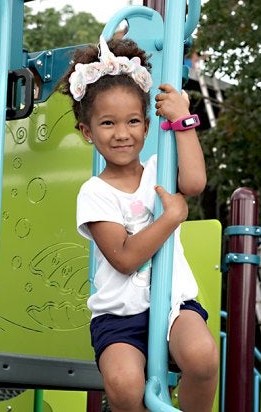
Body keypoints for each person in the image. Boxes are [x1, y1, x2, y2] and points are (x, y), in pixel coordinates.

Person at [58, 36, 219, 412]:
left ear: (147, 127)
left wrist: (182, 122)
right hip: (118, 317)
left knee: (203, 356)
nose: (122, 133)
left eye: (132, 121)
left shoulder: (158, 170)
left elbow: (194, 183)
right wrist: (172, 217)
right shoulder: (94, 193)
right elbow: (126, 258)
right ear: (87, 132)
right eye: (108, 123)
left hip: (174, 306)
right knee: (123, 385)